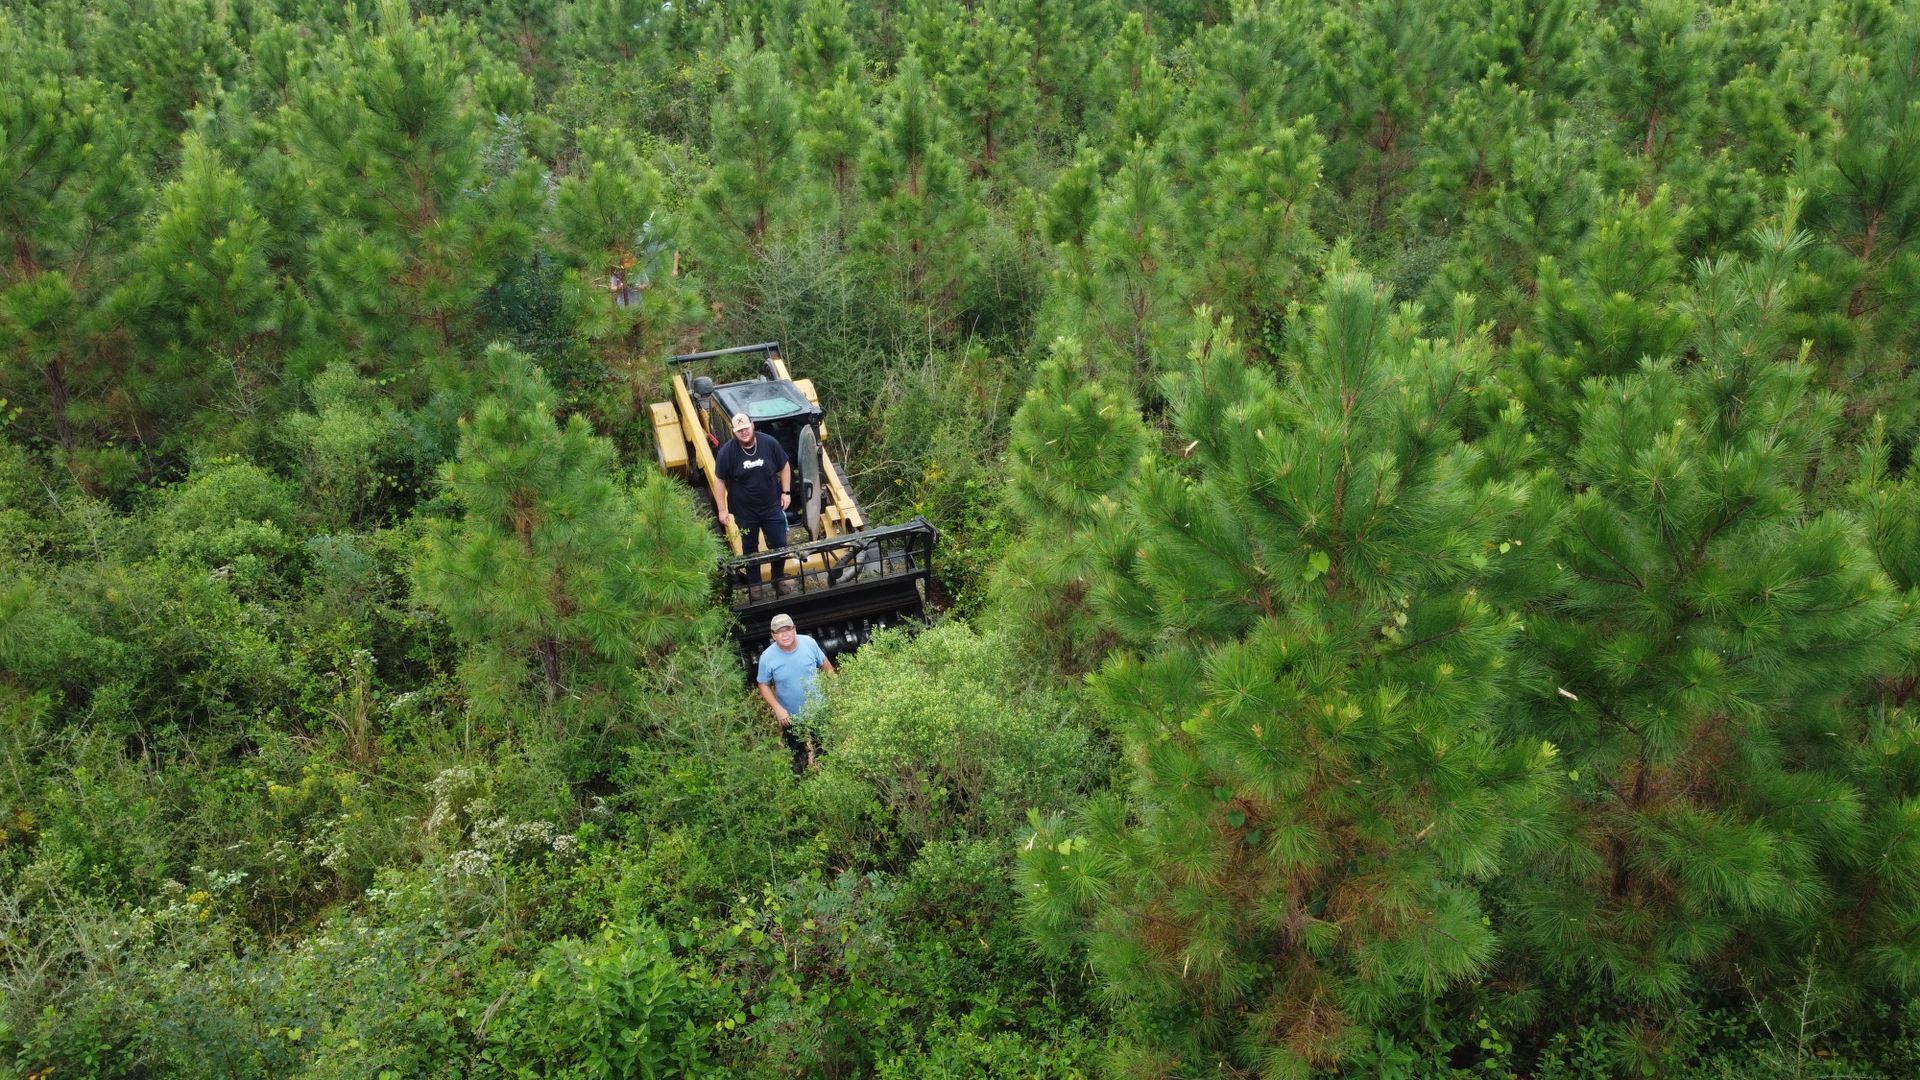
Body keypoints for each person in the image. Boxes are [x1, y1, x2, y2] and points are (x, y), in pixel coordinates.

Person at [710, 412, 793, 595]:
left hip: (772, 507)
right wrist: (722, 510)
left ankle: (778, 579)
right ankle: (755, 585)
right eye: (739, 430)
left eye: (746, 428)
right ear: (734, 431)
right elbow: (719, 481)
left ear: (752, 425)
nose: (744, 432)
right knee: (750, 547)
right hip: (744, 512)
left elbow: (784, 466)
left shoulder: (769, 443)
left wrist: (786, 492)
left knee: (780, 544)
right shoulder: (727, 452)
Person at [757, 613, 835, 774]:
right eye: (779, 632)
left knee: (826, 749)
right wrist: (778, 709)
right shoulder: (767, 657)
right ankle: (801, 784)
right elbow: (763, 685)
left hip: (818, 708)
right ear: (773, 636)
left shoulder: (809, 643)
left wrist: (834, 687)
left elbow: (826, 666)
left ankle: (830, 780)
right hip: (790, 716)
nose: (784, 634)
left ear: (794, 630)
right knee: (797, 755)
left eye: (788, 629)